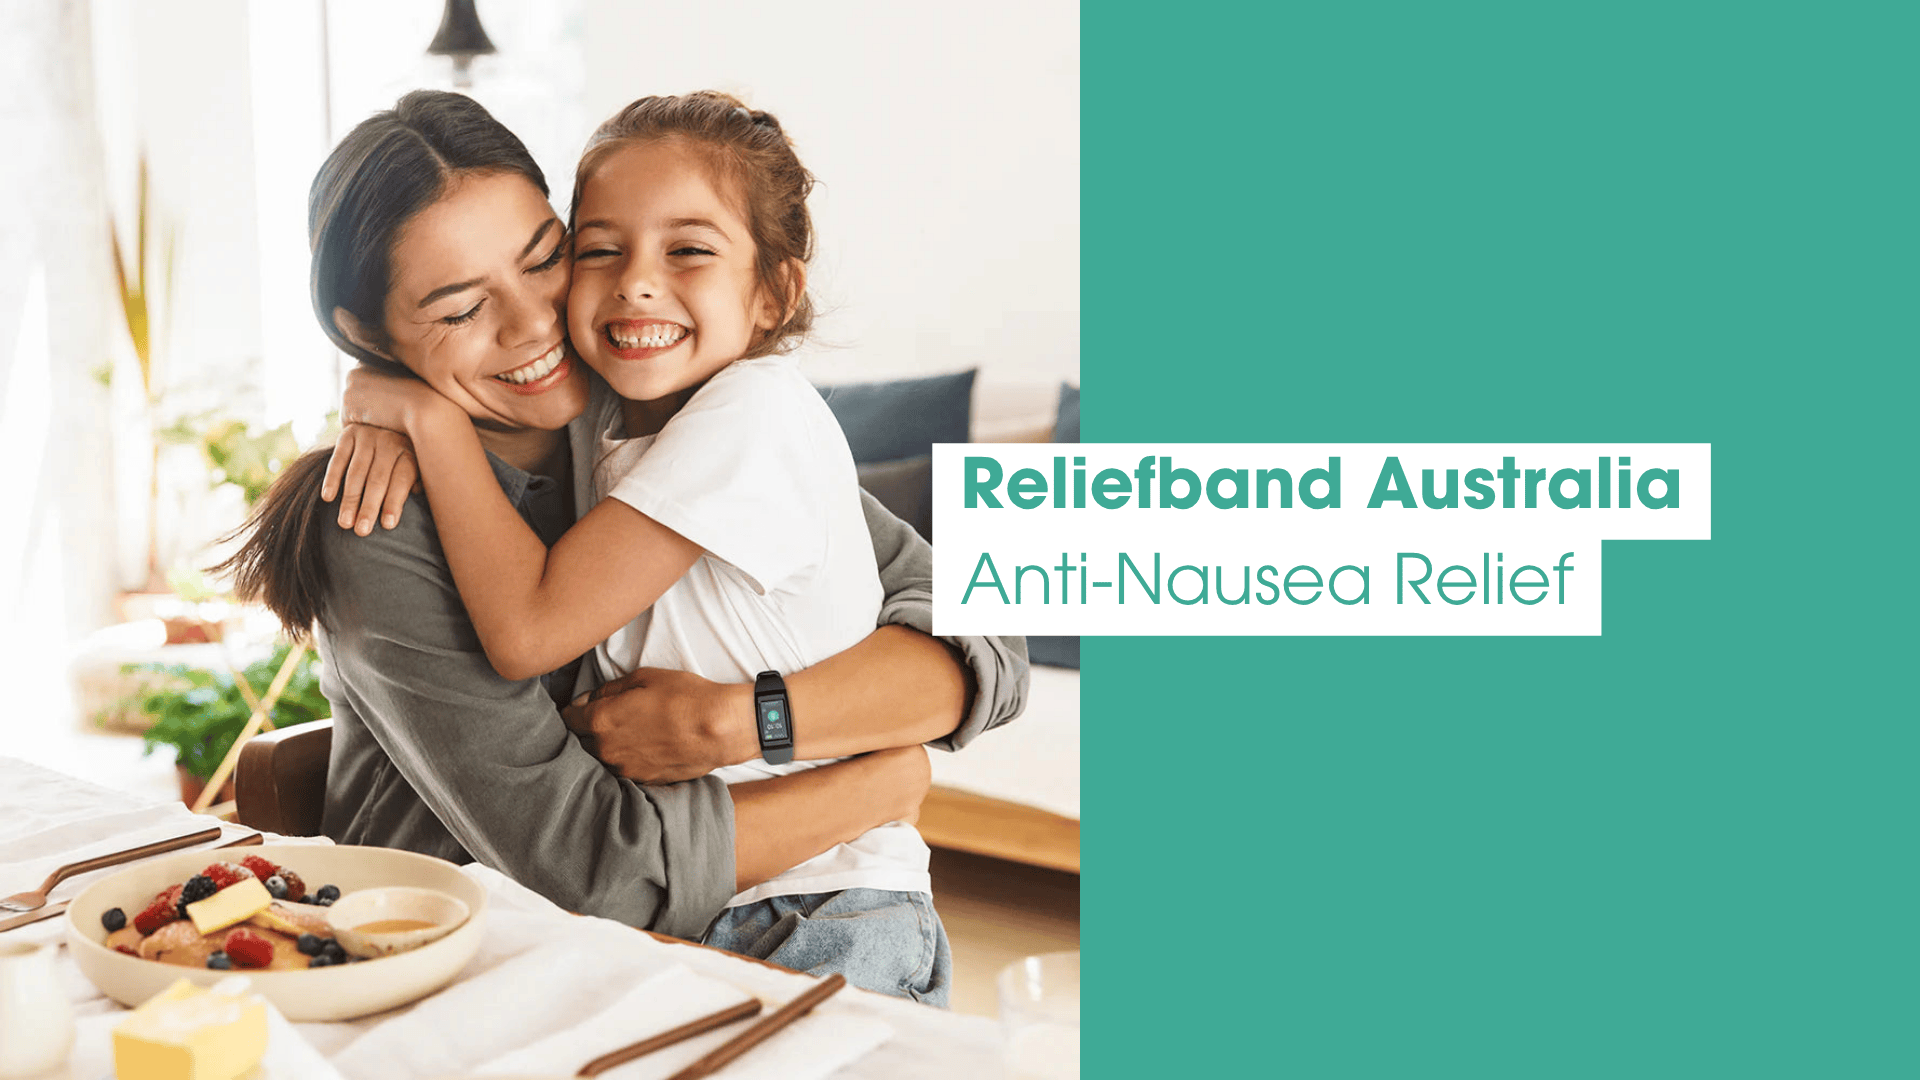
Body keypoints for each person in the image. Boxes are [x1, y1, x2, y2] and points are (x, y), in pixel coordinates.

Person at [216, 91, 1026, 1005]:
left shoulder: (659, 412)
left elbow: (983, 630)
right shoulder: (378, 514)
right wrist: (879, 780)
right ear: (367, 334)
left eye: (546, 260)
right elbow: (590, 871)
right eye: (457, 310)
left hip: (698, 944)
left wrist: (744, 719)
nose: (529, 327)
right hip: (466, 975)